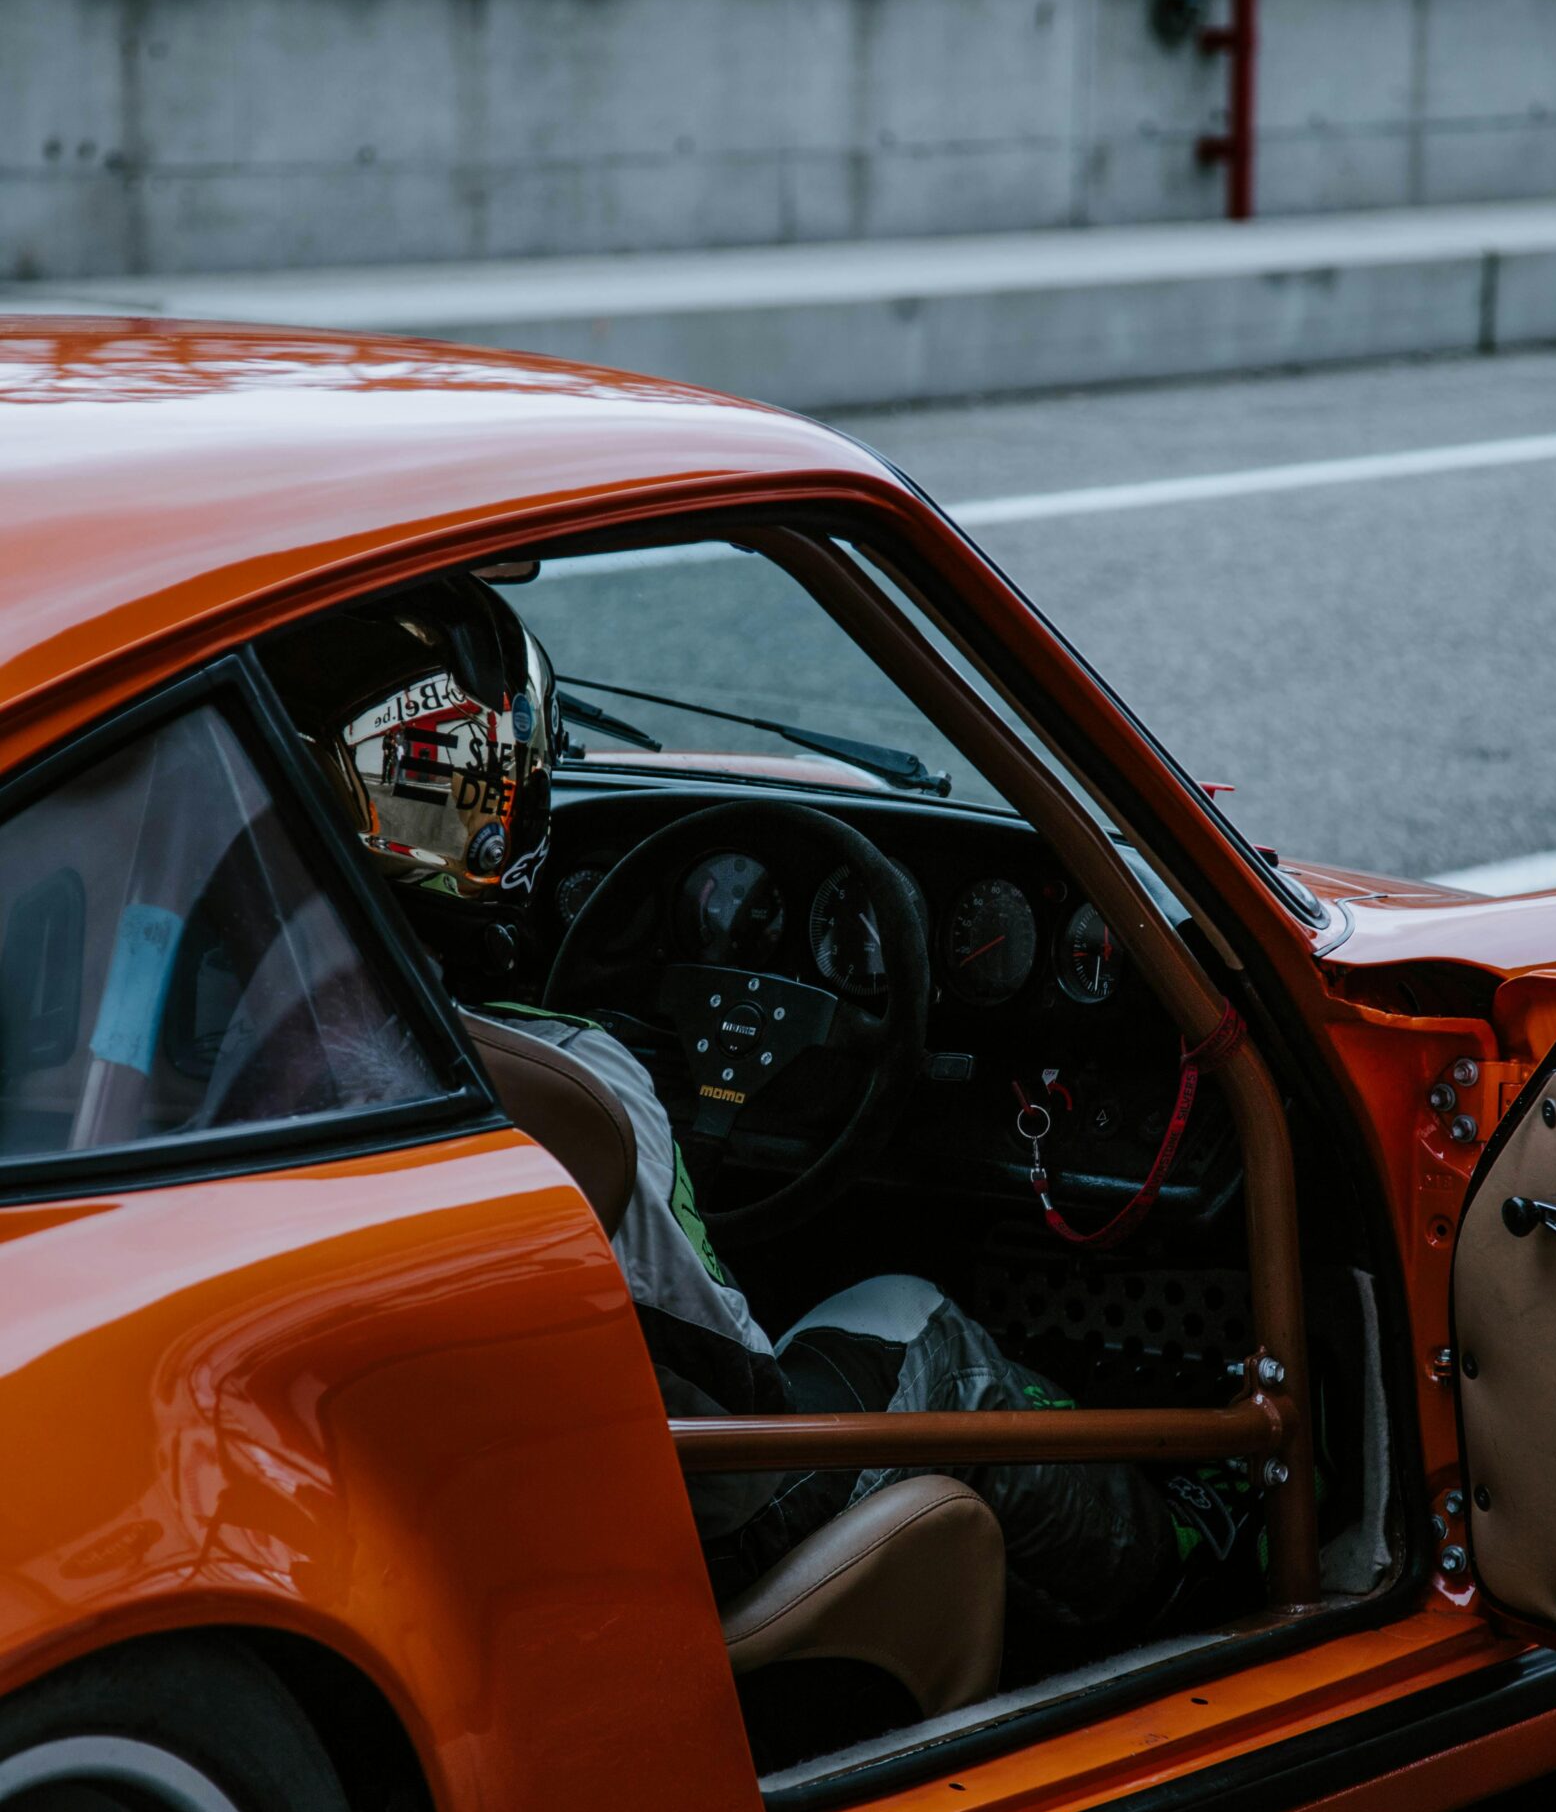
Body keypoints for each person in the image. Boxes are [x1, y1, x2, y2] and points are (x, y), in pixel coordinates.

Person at [263, 572, 1184, 1639]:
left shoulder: (191, 1052)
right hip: (695, 1514)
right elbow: (734, 1373)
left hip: (433, 1516)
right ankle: (1182, 1560)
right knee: (922, 1322)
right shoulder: (576, 1086)